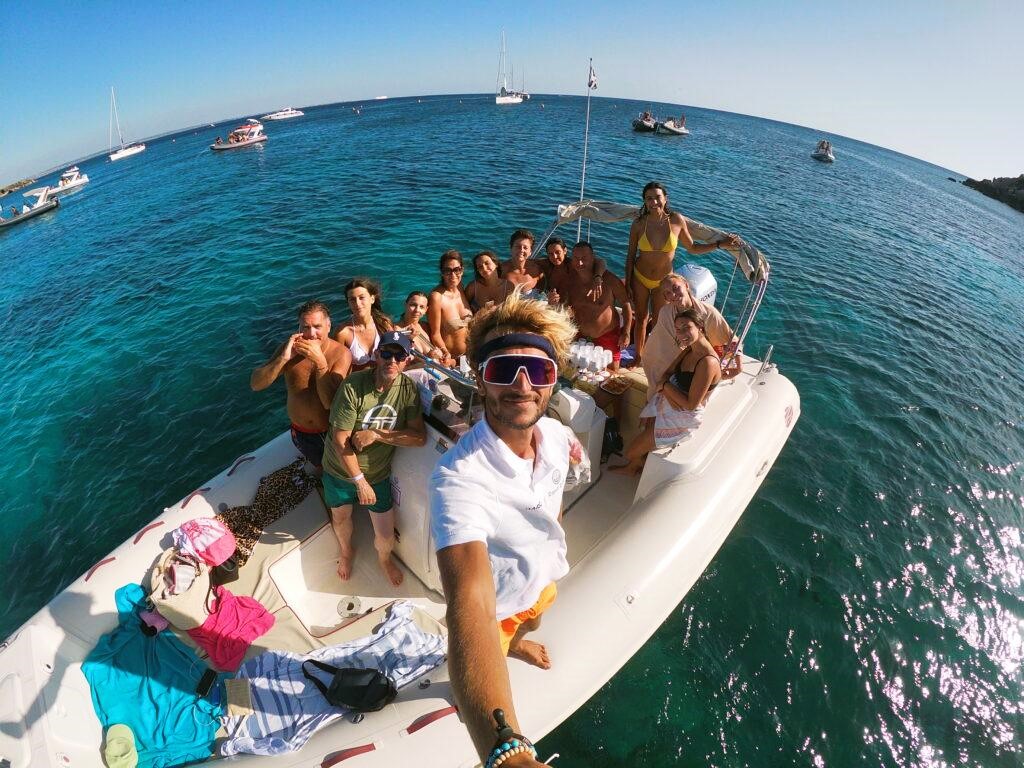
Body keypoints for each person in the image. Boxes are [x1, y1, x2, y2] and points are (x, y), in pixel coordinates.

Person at [430, 290, 577, 767]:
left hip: (542, 579)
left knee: (534, 617)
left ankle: (517, 643)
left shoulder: (556, 436)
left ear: (553, 380)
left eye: (537, 371)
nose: (522, 385)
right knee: (491, 644)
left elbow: (555, 488)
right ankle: (480, 678)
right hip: (496, 606)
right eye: (504, 370)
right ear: (480, 378)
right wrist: (509, 754)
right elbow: (470, 604)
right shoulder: (459, 476)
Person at [321, 331, 426, 585]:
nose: (392, 361)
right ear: (377, 355)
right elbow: (340, 440)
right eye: (387, 354)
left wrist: (377, 434)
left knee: (386, 535)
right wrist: (360, 481)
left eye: (399, 356)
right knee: (341, 518)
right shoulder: (353, 386)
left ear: (407, 361)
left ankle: (384, 559)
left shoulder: (408, 389)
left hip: (377, 474)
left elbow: (419, 437)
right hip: (340, 471)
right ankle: (346, 551)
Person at [625, 181, 741, 362]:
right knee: (640, 318)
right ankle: (638, 357)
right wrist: (628, 283)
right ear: (644, 202)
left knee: (659, 322)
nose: (654, 202)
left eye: (657, 197)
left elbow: (693, 248)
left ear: (665, 198)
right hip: (640, 277)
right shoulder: (639, 224)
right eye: (649, 198)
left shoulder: (676, 220)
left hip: (664, 283)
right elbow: (630, 256)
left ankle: (654, 357)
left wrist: (720, 244)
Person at [611, 308, 722, 475]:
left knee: (630, 453)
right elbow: (667, 373)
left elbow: (690, 405)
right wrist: (665, 388)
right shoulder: (690, 349)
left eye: (686, 327)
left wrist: (664, 387)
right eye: (678, 329)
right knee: (645, 427)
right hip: (670, 399)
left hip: (683, 416)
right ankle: (633, 468)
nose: (681, 334)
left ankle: (638, 463)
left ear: (700, 326)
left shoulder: (708, 362)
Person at [250, 300, 352, 474]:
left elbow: (330, 402)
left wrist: (320, 363)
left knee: (339, 471)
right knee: (319, 467)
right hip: (301, 432)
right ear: (299, 328)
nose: (311, 334)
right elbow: (255, 385)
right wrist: (283, 359)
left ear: (328, 326)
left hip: (331, 432)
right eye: (306, 327)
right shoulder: (290, 350)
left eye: (317, 327)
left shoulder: (341, 354)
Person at [642, 274, 741, 400]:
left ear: (686, 286)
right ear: (665, 298)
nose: (673, 294)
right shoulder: (665, 313)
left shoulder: (708, 313)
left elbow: (730, 338)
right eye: (668, 293)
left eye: (676, 288)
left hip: (693, 365)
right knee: (654, 396)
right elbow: (658, 343)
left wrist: (738, 367)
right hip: (667, 364)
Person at [566, 242, 632, 371]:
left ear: (593, 258)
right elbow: (565, 305)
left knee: (612, 373)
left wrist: (626, 332)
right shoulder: (570, 280)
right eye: (576, 258)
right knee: (575, 372)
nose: (579, 263)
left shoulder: (609, 280)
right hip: (581, 336)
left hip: (607, 335)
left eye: (584, 258)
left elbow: (626, 304)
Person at [334, 278, 392, 372]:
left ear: (372, 299)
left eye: (361, 297)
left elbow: (395, 353)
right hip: (356, 380)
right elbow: (338, 367)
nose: (357, 303)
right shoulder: (343, 333)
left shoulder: (384, 324)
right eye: (352, 299)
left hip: (383, 376)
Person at [428, 250, 473, 365]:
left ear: (462, 270)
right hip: (451, 360)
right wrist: (445, 353)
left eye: (457, 270)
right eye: (447, 271)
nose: (453, 275)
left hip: (470, 357)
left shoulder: (460, 288)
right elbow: (435, 334)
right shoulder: (437, 297)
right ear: (442, 273)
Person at [540, 236, 606, 305]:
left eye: (557, 252)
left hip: (571, 306)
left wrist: (598, 277)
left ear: (565, 251)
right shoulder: (547, 265)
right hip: (551, 304)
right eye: (550, 254)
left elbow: (600, 261)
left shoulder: (574, 265)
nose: (554, 257)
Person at [394, 291, 440, 358]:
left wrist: (445, 355)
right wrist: (428, 357)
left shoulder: (425, 327)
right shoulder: (396, 331)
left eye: (421, 307)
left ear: (426, 310)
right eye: (413, 305)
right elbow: (397, 360)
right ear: (405, 305)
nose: (417, 310)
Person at [501, 229, 544, 294]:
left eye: (525, 248)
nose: (521, 250)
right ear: (511, 248)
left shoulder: (537, 270)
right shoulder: (501, 271)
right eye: (518, 247)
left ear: (530, 252)